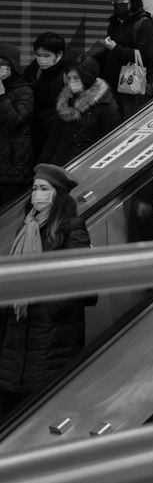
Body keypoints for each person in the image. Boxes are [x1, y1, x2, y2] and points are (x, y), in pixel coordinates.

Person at [0, 164, 91, 417]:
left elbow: (81, 279)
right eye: (34, 188)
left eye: (43, 189)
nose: (36, 194)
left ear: (57, 195)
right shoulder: (27, 227)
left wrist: (46, 304)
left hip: (52, 336)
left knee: (40, 412)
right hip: (18, 331)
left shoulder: (73, 227)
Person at [39, 56, 120, 167]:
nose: (72, 82)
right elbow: (54, 138)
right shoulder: (65, 101)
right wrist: (41, 166)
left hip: (87, 166)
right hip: (61, 164)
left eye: (76, 78)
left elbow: (111, 146)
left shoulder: (106, 106)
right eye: (69, 78)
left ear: (87, 77)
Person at [92, 0, 153, 120]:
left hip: (133, 84)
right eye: (115, 0)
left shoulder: (144, 23)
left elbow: (146, 55)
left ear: (133, 0)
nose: (118, 3)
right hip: (112, 84)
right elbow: (108, 53)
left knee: (130, 122)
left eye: (122, 0)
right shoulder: (114, 23)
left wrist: (116, 48)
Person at [22, 33, 67, 159]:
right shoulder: (36, 69)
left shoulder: (68, 73)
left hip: (56, 130)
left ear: (59, 55)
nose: (41, 59)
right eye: (38, 55)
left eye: (46, 56)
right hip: (37, 128)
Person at [0, 44, 34, 208]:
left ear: (12, 66)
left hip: (14, 165)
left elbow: (15, 121)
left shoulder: (24, 90)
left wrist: (2, 96)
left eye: (3, 64)